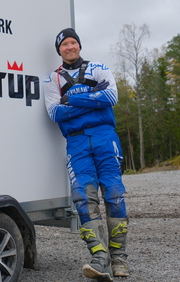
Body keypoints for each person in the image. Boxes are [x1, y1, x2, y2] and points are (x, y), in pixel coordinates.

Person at [44, 28, 129, 281]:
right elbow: (55, 113)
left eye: (73, 42)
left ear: (79, 46)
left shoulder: (99, 68)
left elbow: (111, 96)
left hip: (105, 137)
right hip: (76, 141)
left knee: (114, 194)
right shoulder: (51, 80)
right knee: (83, 197)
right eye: (64, 44)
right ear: (59, 50)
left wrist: (70, 99)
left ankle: (119, 258)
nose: (69, 47)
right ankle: (99, 258)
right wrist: (93, 98)